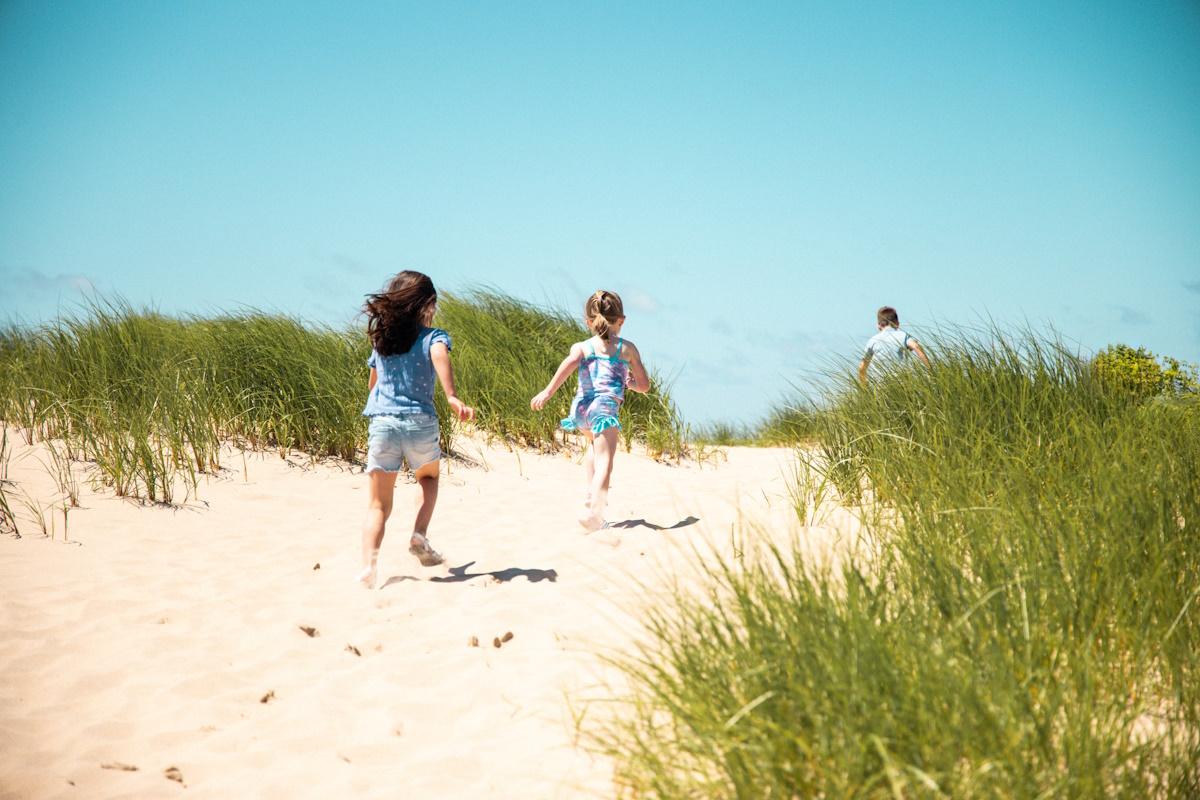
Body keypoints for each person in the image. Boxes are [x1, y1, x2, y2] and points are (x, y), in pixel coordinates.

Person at [358, 271, 474, 588]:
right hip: (419, 420)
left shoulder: (381, 341)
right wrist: (451, 395)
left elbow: (373, 385)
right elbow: (439, 355)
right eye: (433, 304)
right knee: (429, 477)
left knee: (378, 505)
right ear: (425, 305)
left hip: (382, 422)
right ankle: (419, 533)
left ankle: (369, 566)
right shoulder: (433, 337)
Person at [530, 290, 650, 530]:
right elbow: (644, 386)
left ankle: (590, 495)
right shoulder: (627, 349)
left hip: (581, 409)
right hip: (604, 411)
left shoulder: (582, 347)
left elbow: (568, 365)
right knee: (606, 461)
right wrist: (631, 384)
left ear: (588, 322)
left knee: (594, 448)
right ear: (622, 320)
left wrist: (547, 392)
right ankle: (593, 509)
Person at [858, 305, 930, 384]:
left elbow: (862, 368)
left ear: (879, 325)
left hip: (879, 386)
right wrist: (930, 370)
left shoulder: (872, 341)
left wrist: (864, 386)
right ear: (897, 324)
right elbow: (916, 346)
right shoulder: (903, 335)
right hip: (900, 384)